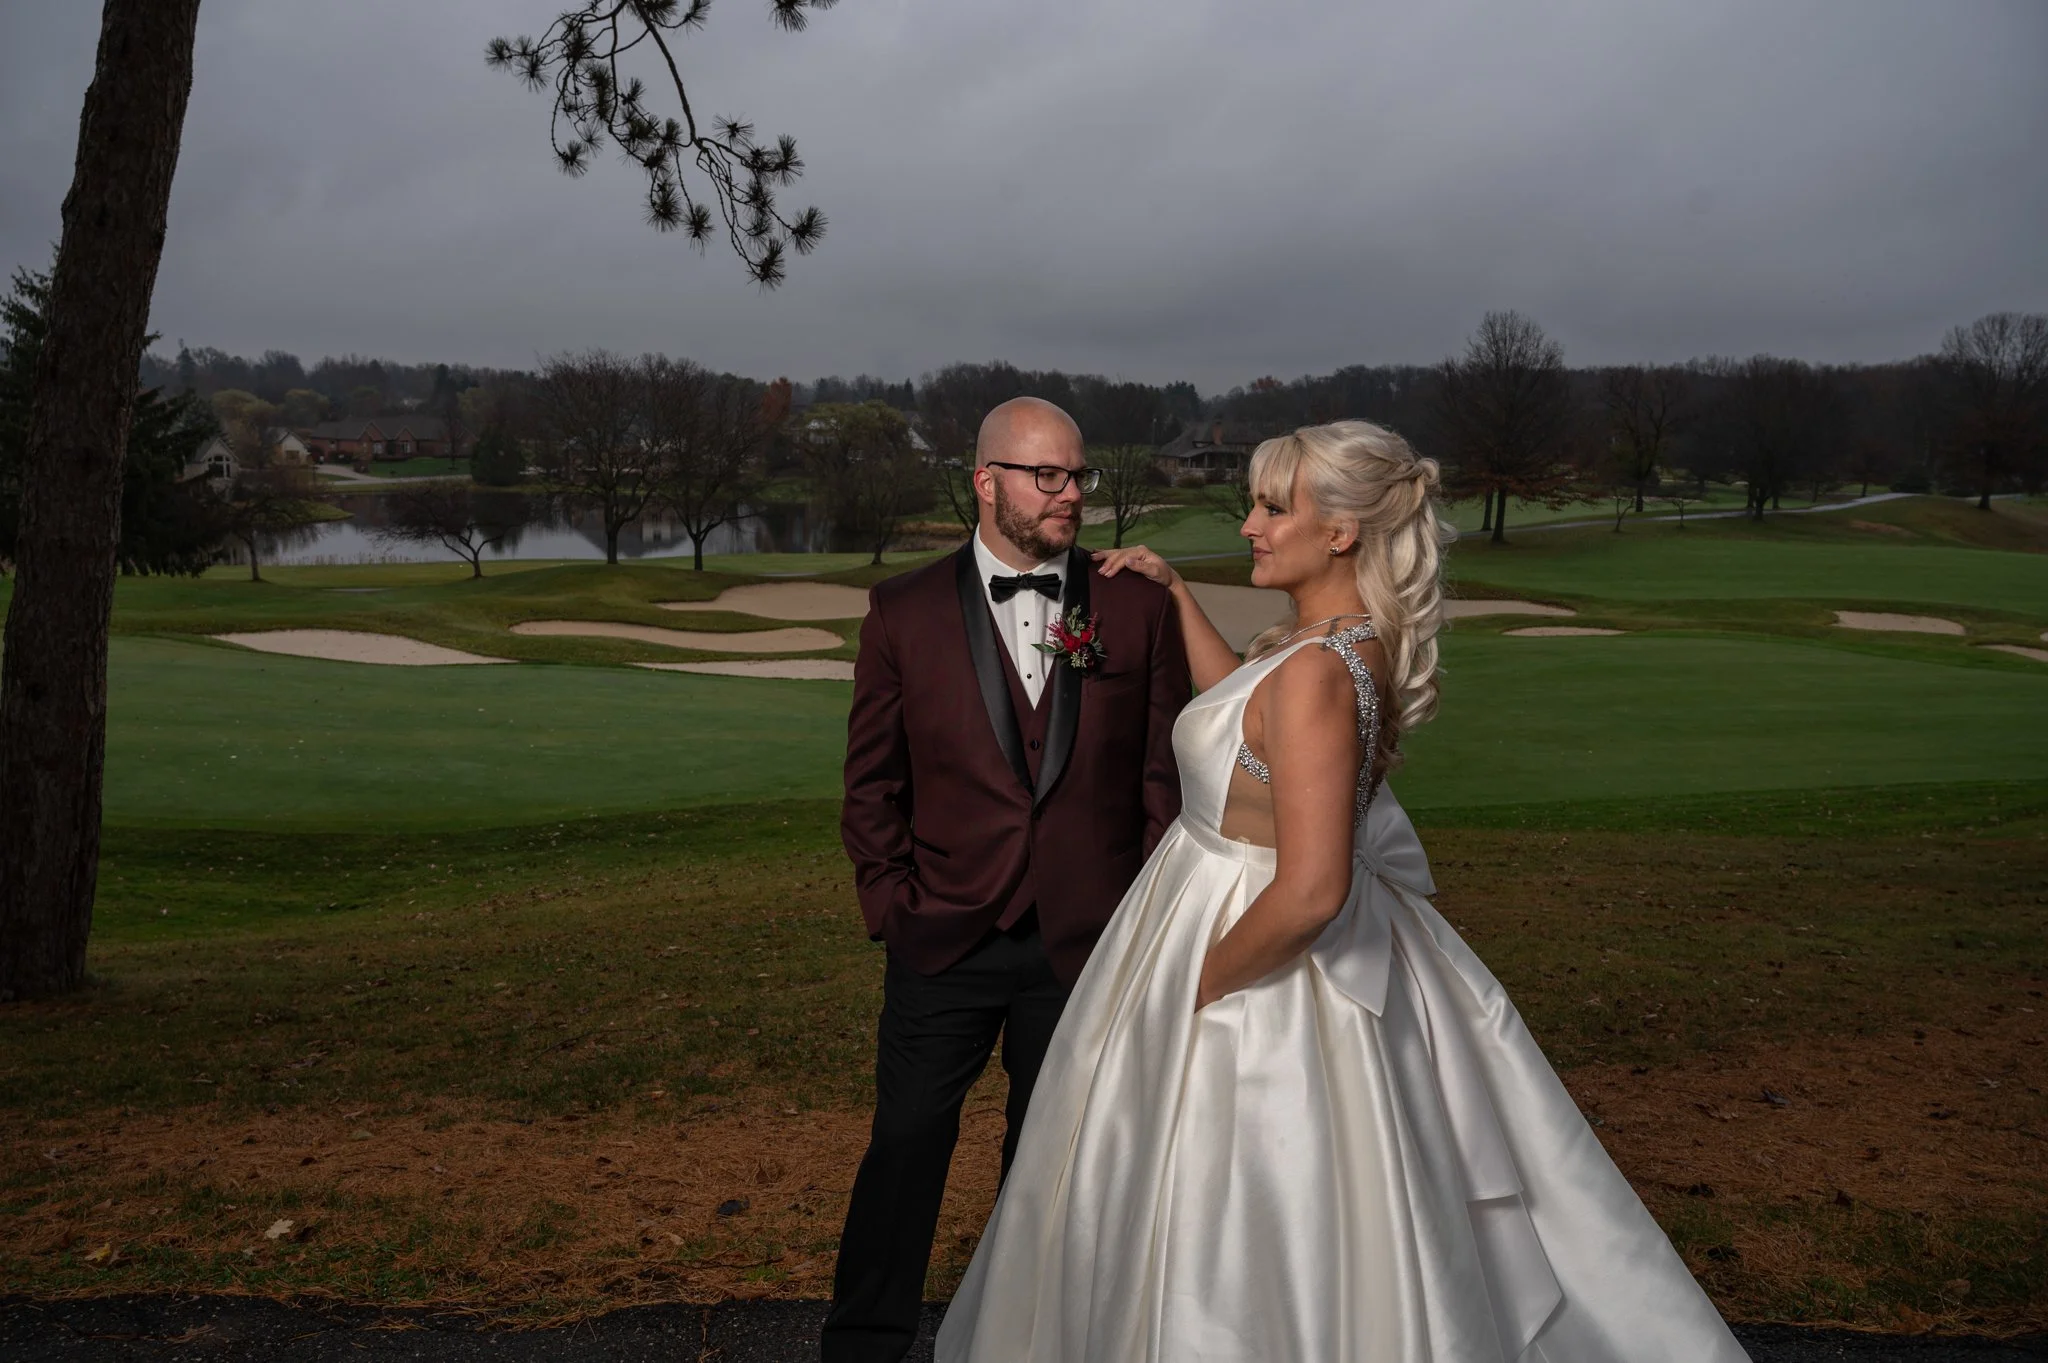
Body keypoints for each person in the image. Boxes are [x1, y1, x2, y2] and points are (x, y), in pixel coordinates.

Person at [936, 420, 1751, 1362]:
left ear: (1342, 533)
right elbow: (1241, 711)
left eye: (1273, 507)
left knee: (1229, 1213)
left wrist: (1195, 981)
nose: (1249, 524)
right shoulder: (1327, 646)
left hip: (1244, 950)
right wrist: (1175, 591)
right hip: (1215, 907)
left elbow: (1314, 890)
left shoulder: (1321, 674)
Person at [824, 397, 1192, 1363]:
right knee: (904, 1148)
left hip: (1086, 944)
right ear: (986, 481)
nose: (1071, 494)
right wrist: (895, 908)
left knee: (1054, 1167)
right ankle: (864, 1344)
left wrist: (1139, 923)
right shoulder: (900, 611)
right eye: (1049, 476)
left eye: (1079, 476)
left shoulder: (1135, 607)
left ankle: (1029, 1343)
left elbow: (1165, 782)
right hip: (942, 935)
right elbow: (872, 786)